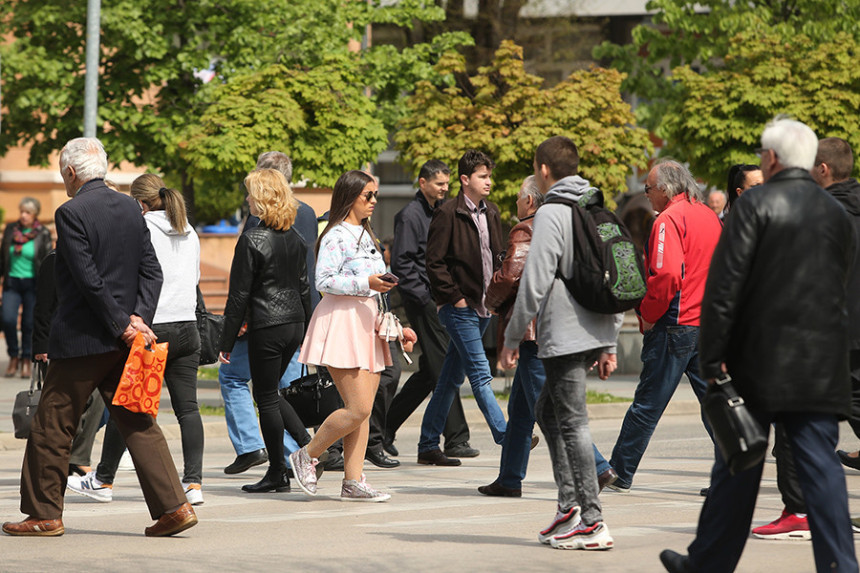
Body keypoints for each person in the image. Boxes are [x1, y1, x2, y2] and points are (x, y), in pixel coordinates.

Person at [660, 118, 859, 573]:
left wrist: (711, 357)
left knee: (738, 464)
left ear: (770, 159)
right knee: (822, 470)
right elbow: (840, 283)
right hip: (820, 361)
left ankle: (708, 563)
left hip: (760, 359)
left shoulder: (754, 205)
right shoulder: (835, 212)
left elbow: (724, 288)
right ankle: (840, 566)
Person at [2, 137, 196, 537]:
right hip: (123, 341)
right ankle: (174, 508)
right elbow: (151, 271)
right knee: (138, 421)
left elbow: (88, 279)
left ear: (71, 173)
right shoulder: (130, 206)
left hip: (83, 339)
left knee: (52, 425)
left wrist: (122, 324)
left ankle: (44, 514)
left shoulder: (70, 211)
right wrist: (138, 319)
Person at [499, 136, 621, 550]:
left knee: (571, 422)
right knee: (546, 412)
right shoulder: (597, 204)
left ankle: (592, 519)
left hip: (566, 334)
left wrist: (512, 336)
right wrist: (610, 342)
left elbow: (534, 280)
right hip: (594, 330)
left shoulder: (552, 210)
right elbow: (618, 269)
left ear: (543, 170)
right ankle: (569, 508)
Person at [67, 174, 206, 505]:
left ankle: (103, 480)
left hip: (153, 327)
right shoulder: (190, 231)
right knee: (188, 408)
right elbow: (195, 278)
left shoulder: (141, 228)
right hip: (187, 325)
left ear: (140, 204)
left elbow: (134, 274)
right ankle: (194, 484)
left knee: (129, 405)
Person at [751, 137, 860, 540]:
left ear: (824, 169)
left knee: (794, 424)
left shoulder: (818, 213)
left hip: (821, 335)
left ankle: (798, 510)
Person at [291, 170, 415, 502]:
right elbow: (324, 281)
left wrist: (398, 326)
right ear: (350, 198)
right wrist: (367, 284)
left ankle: (353, 480)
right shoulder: (335, 235)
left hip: (367, 324)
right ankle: (308, 454)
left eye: (375, 195)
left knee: (363, 408)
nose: (374, 201)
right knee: (358, 408)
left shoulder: (366, 236)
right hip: (342, 323)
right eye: (368, 196)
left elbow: (379, 290)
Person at [602, 159, 722, 494]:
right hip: (706, 324)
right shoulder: (709, 216)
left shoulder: (669, 219)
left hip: (675, 323)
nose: (647, 195)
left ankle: (620, 472)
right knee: (714, 405)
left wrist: (649, 314)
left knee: (647, 405)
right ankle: (731, 475)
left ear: (666, 189)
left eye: (648, 189)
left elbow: (667, 274)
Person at [219, 150, 319, 475]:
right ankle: (300, 454)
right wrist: (306, 326)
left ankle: (286, 462)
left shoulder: (253, 238)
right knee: (277, 393)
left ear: (260, 197)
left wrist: (226, 339)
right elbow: (305, 284)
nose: (246, 197)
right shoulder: (296, 235)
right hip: (295, 324)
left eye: (250, 192)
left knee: (265, 396)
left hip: (266, 323)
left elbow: (239, 296)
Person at [418, 150, 506, 466]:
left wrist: (499, 297)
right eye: (483, 177)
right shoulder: (447, 214)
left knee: (450, 380)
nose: (489, 182)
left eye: (489, 176)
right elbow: (434, 262)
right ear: (465, 180)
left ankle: (428, 444)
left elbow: (499, 257)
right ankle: (506, 437)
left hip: (484, 308)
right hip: (460, 308)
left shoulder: (492, 212)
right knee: (481, 374)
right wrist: (454, 297)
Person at [386, 159, 474, 461]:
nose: (444, 189)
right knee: (446, 366)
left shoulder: (441, 212)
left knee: (430, 371)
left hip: (440, 300)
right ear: (423, 183)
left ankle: (383, 427)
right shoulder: (410, 216)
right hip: (424, 302)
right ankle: (456, 438)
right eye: (439, 184)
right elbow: (403, 264)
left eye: (447, 184)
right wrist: (425, 298)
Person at [1, 197, 52, 378]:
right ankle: (13, 356)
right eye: (22, 211)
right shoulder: (10, 230)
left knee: (29, 323)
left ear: (35, 214)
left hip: (33, 284)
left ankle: (25, 360)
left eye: (27, 212)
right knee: (7, 319)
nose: (23, 215)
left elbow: (47, 261)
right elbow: (3, 257)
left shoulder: (42, 233)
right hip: (12, 282)